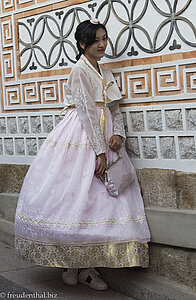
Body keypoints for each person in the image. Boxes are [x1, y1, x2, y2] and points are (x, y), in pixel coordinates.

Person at [14, 19, 151, 291]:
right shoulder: (79, 70)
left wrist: (119, 135)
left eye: (104, 38)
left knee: (103, 199)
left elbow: (114, 109)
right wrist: (99, 152)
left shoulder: (106, 72)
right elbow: (88, 112)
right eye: (96, 40)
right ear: (82, 44)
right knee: (77, 196)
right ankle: (72, 263)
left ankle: (88, 267)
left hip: (106, 137)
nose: (102, 44)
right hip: (80, 136)